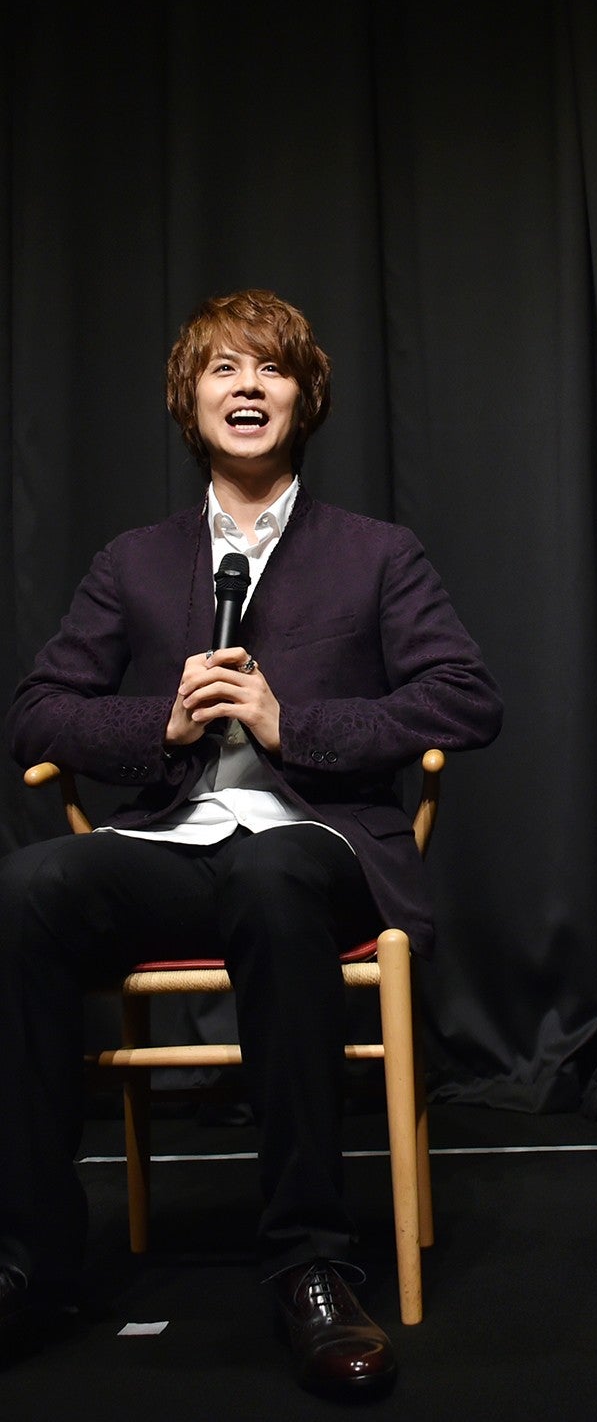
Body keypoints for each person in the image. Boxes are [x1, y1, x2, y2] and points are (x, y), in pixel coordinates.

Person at [0, 289, 503, 1399]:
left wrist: (293, 724)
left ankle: (310, 1262)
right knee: (26, 886)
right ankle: (31, 1259)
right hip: (173, 845)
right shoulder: (134, 561)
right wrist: (160, 723)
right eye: (222, 368)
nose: (246, 386)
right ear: (189, 401)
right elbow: (38, 711)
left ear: (302, 398)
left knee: (273, 875)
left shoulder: (376, 554)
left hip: (320, 847)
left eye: (270, 368)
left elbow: (466, 699)